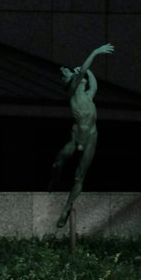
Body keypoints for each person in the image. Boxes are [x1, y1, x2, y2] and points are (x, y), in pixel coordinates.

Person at [50, 42, 114, 228]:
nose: (72, 72)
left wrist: (89, 73)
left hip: (91, 137)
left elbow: (93, 85)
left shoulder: (87, 95)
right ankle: (55, 177)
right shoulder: (72, 91)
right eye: (69, 73)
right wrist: (94, 52)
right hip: (76, 137)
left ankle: (66, 209)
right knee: (58, 163)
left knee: (79, 177)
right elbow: (81, 72)